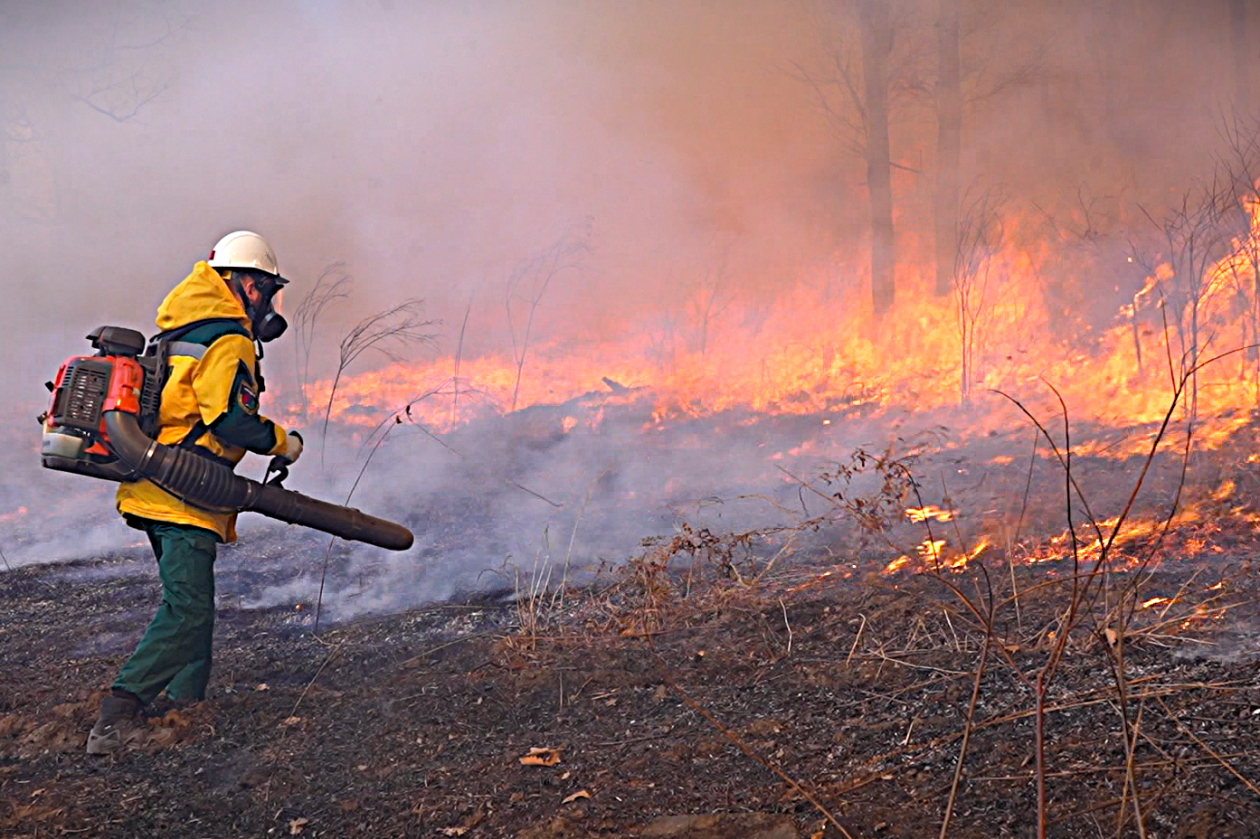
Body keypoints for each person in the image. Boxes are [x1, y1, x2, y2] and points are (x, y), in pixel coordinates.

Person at [86, 231, 305, 756]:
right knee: (188, 611)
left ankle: (187, 704)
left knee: (190, 605)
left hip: (155, 486)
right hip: (184, 494)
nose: (270, 305)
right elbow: (230, 420)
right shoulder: (227, 342)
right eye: (269, 291)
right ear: (247, 285)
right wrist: (283, 442)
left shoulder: (180, 331)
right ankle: (118, 712)